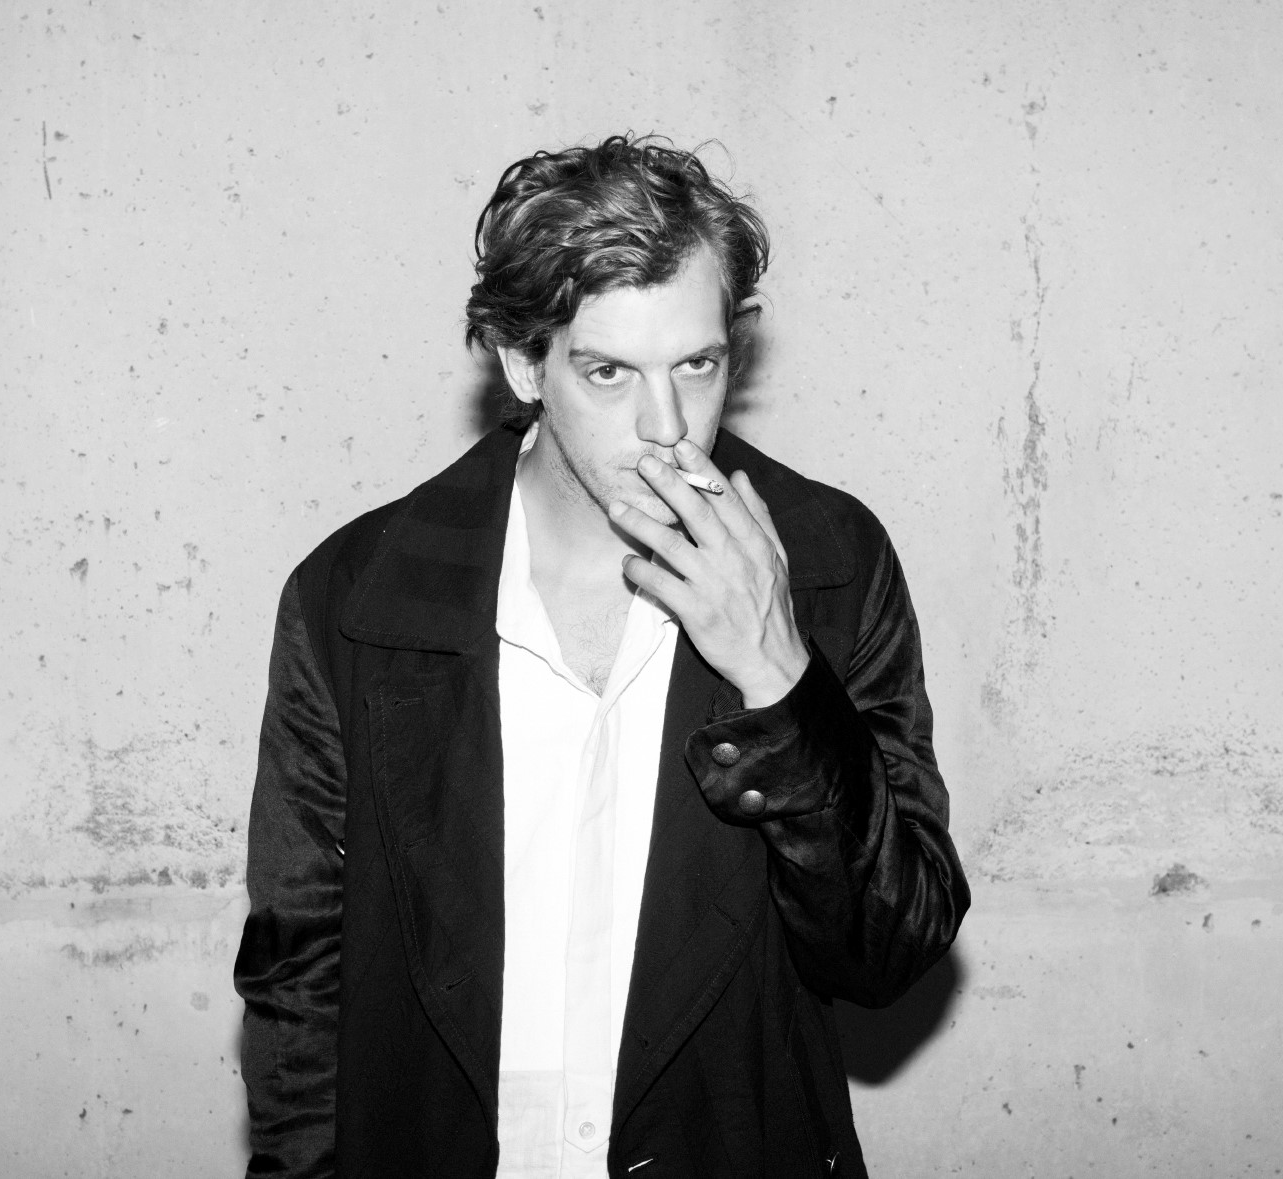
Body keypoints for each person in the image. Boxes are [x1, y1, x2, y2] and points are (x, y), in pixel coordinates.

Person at [234, 134, 970, 1179]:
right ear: (523, 364)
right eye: (608, 372)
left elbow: (892, 950)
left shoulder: (826, 566)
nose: (665, 426)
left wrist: (779, 679)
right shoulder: (356, 596)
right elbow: (299, 976)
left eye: (696, 364)